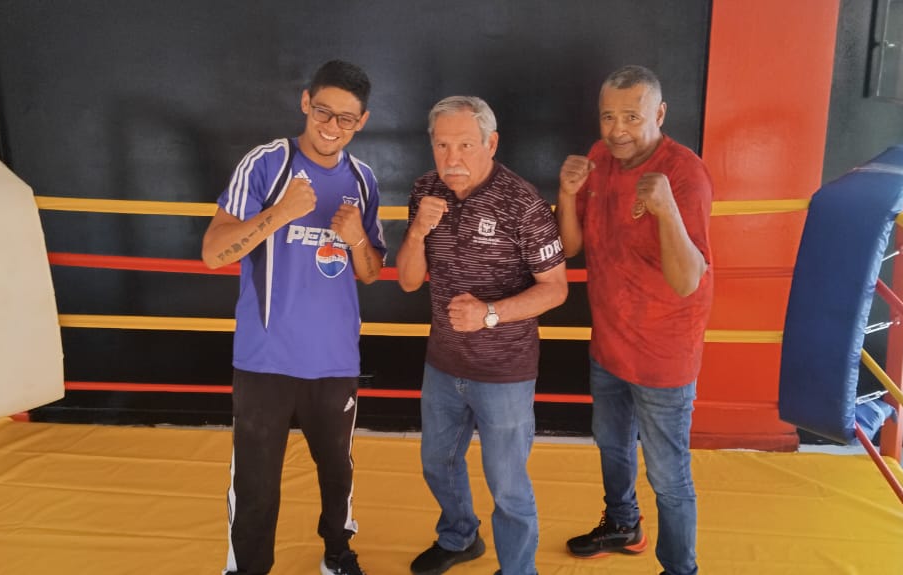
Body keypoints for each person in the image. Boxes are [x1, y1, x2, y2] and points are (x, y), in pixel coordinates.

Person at [201, 59, 387, 575]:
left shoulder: (363, 180)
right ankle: (247, 568)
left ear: (362, 122)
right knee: (257, 484)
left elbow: (370, 271)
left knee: (337, 474)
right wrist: (278, 214)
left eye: (346, 119)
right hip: (266, 359)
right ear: (306, 102)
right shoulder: (267, 163)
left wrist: (355, 241)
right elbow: (213, 253)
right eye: (323, 112)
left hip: (335, 360)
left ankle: (337, 553)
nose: (331, 127)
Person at [398, 95, 568, 575]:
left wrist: (490, 313)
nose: (452, 159)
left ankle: (518, 569)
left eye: (466, 145)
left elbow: (555, 290)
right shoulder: (424, 190)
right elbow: (409, 281)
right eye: (442, 145)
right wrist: (416, 232)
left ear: (490, 144)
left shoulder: (523, 202)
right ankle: (459, 537)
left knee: (508, 484)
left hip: (505, 373)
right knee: (438, 464)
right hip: (443, 364)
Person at [554, 65, 713, 575]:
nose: (617, 129)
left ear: (660, 114)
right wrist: (565, 194)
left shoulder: (685, 173)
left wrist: (667, 212)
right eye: (608, 116)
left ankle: (679, 569)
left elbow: (689, 279)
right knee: (612, 446)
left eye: (631, 116)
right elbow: (573, 249)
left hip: (665, 355)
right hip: (610, 345)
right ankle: (623, 523)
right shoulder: (599, 158)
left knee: (668, 474)